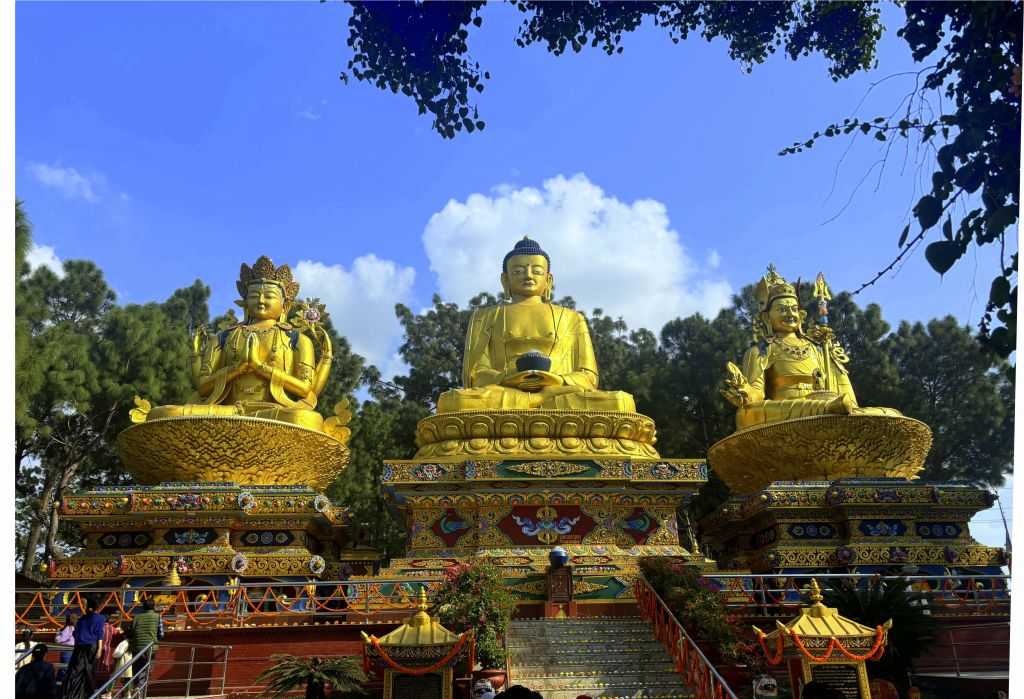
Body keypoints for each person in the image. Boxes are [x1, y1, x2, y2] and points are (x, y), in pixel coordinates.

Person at [61, 597, 106, 699]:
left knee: (75, 672)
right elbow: (99, 634)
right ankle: (87, 694)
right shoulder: (100, 618)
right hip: (91, 647)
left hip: (79, 647)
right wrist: (99, 649)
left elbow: (76, 634)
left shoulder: (81, 620)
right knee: (89, 672)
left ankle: (73, 694)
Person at [127, 597, 161, 682]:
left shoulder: (137, 617)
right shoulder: (157, 616)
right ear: (154, 606)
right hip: (150, 647)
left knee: (136, 668)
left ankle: (135, 686)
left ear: (143, 607)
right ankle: (140, 686)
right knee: (147, 668)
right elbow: (161, 634)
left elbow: (131, 631)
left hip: (137, 646)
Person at [54, 614, 76, 681]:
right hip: (73, 650)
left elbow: (58, 640)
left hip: (66, 650)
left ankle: (61, 683)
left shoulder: (68, 628)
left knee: (64, 668)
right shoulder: (76, 628)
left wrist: (58, 633)